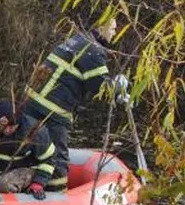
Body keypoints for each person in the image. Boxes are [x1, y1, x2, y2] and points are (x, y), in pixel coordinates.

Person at [21, 15, 129, 190]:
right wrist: (119, 88)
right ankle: (56, 196)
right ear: (101, 28)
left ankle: (26, 187)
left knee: (30, 148)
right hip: (52, 110)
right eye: (113, 29)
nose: (115, 33)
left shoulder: (78, 39)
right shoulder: (93, 50)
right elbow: (99, 86)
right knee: (56, 157)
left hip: (32, 102)